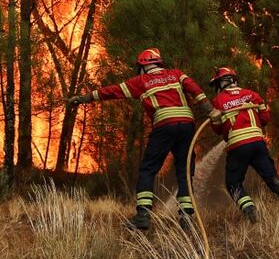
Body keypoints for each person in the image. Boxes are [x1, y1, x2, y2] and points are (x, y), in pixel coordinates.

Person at [70, 47, 219, 230]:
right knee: (185, 171)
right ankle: (186, 217)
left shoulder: (141, 81)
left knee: (148, 169)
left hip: (164, 124)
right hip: (187, 125)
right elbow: (196, 90)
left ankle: (143, 215)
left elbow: (111, 91)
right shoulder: (177, 74)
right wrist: (211, 110)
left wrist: (84, 98)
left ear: (143, 66)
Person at [208, 66, 279, 222]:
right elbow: (265, 119)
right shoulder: (252, 95)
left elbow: (218, 130)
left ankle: (250, 211)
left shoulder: (218, 101)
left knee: (233, 184)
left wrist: (214, 119)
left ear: (224, 82)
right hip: (258, 144)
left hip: (238, 146)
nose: (217, 88)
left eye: (218, 84)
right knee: (273, 179)